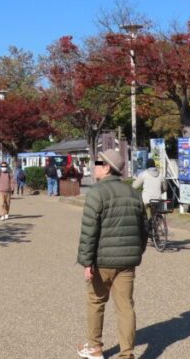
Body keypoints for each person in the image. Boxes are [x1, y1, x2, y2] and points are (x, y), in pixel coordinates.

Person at [76, 149, 147, 359]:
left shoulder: (97, 193)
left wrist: (86, 262)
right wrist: (137, 251)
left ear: (107, 167)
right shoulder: (134, 193)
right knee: (126, 307)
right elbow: (144, 229)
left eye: (97, 163)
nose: (94, 165)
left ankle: (95, 348)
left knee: (96, 301)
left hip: (102, 260)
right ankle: (127, 354)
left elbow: (89, 231)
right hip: (127, 262)